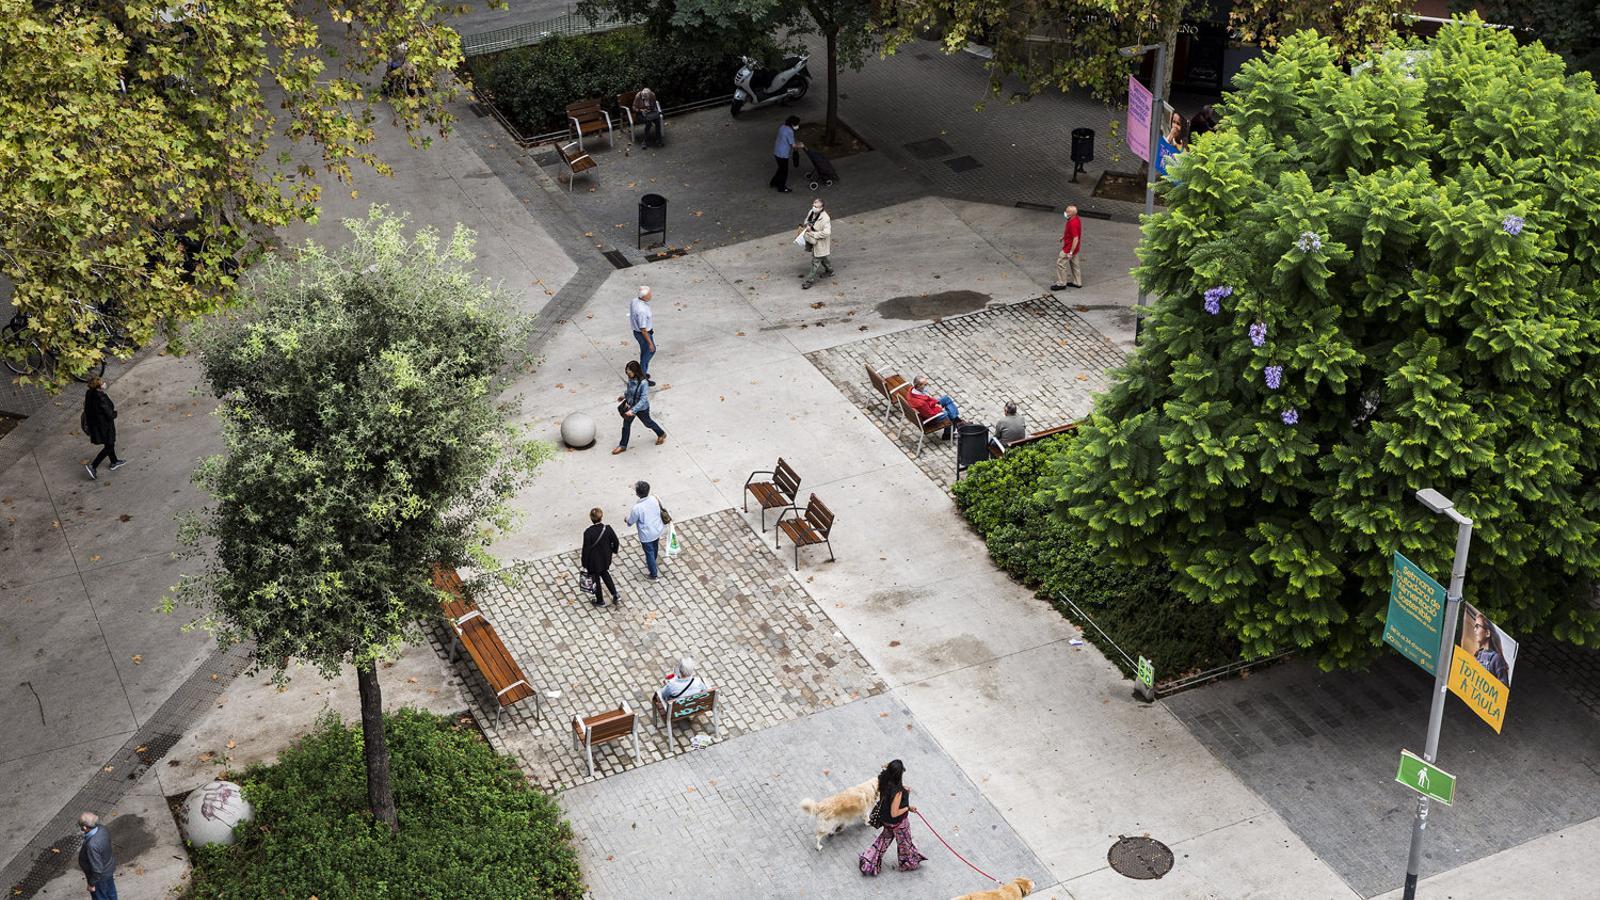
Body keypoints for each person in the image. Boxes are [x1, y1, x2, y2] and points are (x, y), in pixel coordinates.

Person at [858, 760, 927, 876]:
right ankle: (908, 863)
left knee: (883, 841)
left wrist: (903, 788)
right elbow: (895, 812)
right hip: (898, 823)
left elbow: (885, 771)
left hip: (886, 821)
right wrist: (908, 808)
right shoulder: (898, 792)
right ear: (899, 775)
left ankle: (869, 860)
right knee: (905, 843)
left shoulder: (884, 779)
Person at [613, 361, 666, 455]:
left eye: (629, 372)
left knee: (648, 423)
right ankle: (622, 445)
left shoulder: (643, 383)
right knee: (626, 426)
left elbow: (643, 399)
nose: (628, 375)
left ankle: (661, 433)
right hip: (630, 405)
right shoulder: (630, 379)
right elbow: (630, 390)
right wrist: (624, 396)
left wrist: (633, 410)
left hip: (642, 409)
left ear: (635, 371)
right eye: (627, 372)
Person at [82, 377, 124, 480]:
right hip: (105, 425)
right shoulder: (101, 398)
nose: (104, 384)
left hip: (96, 425)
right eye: (102, 383)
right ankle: (93, 466)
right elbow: (109, 414)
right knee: (110, 445)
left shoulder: (89, 394)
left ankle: (114, 461)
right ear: (99, 387)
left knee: (108, 443)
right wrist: (114, 414)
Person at [625, 480, 666, 580]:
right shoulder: (654, 498)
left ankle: (653, 573)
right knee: (655, 546)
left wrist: (626, 519)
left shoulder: (637, 508)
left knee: (649, 552)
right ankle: (653, 561)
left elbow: (631, 521)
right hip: (657, 529)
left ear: (637, 493)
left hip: (646, 534)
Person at [581, 507, 621, 607]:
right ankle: (615, 594)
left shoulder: (588, 533)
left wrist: (584, 563)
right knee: (605, 573)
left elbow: (585, 550)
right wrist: (613, 551)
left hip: (593, 562)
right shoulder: (608, 529)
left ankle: (600, 600)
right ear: (601, 517)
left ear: (591, 518)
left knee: (596, 579)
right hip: (605, 559)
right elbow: (616, 541)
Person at [77, 811, 117, 898]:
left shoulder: (92, 845)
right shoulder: (102, 829)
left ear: (84, 827)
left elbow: (97, 869)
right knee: (111, 893)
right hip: (108, 869)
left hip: (100, 877)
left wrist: (91, 884)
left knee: (100, 897)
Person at [1469, 611, 1511, 682]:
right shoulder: (1478, 654)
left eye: (1477, 627)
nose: (1474, 630)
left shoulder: (1496, 659)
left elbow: (1503, 688)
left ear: (1487, 633)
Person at [800, 198, 833, 289]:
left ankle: (809, 281)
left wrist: (813, 233)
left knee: (815, 261)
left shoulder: (825, 218)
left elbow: (827, 232)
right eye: (813, 205)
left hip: (820, 242)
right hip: (813, 241)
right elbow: (806, 221)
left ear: (821, 207)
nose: (814, 208)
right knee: (823, 257)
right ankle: (830, 271)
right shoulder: (811, 212)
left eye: (816, 207)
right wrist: (808, 226)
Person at [1050, 204, 1083, 291]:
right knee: (1075, 265)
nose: (1065, 212)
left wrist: (1070, 252)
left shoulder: (1072, 223)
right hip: (1075, 248)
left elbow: (1075, 238)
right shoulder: (1076, 219)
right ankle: (1077, 282)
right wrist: (1064, 236)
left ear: (1071, 213)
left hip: (1068, 248)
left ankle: (1061, 283)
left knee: (1060, 264)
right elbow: (1072, 233)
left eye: (1067, 211)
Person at [629, 285, 656, 386]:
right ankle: (642, 377)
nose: (651, 295)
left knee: (645, 353)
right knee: (648, 354)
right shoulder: (642, 311)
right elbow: (643, 329)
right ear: (644, 297)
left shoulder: (634, 301)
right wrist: (650, 343)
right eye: (649, 294)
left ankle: (642, 372)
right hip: (643, 334)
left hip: (637, 332)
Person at [771, 115, 800, 193]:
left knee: (780, 168)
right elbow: (793, 145)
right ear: (793, 124)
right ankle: (781, 187)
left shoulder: (782, 127)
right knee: (784, 172)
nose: (797, 126)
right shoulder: (790, 131)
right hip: (783, 154)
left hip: (777, 151)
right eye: (796, 124)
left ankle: (773, 182)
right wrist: (800, 145)